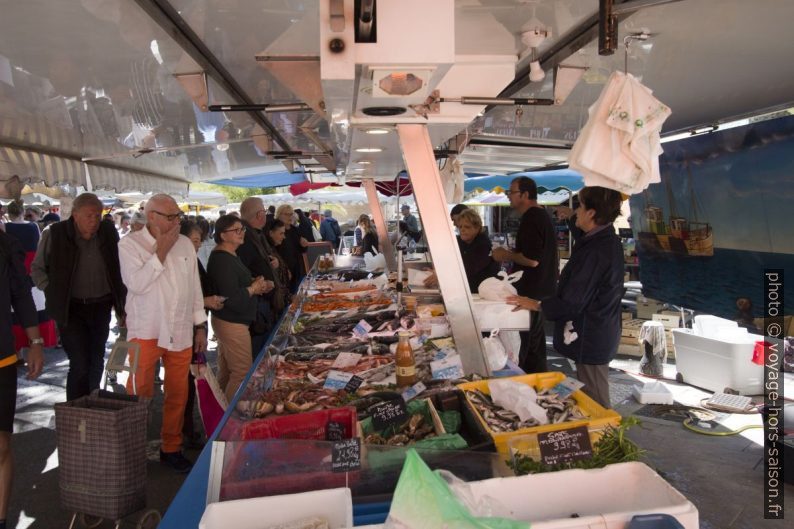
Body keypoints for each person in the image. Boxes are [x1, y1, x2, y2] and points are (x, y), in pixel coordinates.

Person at [508, 186, 624, 408]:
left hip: (593, 333)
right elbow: (583, 232)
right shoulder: (601, 239)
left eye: (580, 206)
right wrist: (571, 216)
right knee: (588, 391)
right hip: (594, 329)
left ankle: (604, 437)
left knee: (595, 399)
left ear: (591, 213)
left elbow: (574, 299)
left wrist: (537, 304)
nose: (577, 211)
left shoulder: (598, 251)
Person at [119, 194, 207, 473]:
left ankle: (171, 447)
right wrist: (161, 251)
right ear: (152, 216)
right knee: (138, 392)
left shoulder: (184, 244)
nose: (177, 221)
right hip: (146, 329)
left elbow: (194, 287)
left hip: (179, 329)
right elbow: (137, 284)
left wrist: (200, 325)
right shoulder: (129, 244)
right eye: (171, 216)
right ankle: (132, 449)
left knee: (177, 393)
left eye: (178, 215)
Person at [31, 193, 127, 400]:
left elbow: (119, 269)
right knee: (80, 361)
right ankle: (75, 408)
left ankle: (91, 404)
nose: (94, 221)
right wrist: (53, 290)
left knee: (96, 359)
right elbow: (37, 270)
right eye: (88, 216)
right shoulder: (55, 233)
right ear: (75, 215)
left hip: (101, 305)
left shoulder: (108, 232)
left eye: (97, 216)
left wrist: (121, 306)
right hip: (71, 308)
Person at [0, 230, 45, 529]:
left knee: (1, 445)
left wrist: (36, 342)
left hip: (1, 358)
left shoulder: (5, 244)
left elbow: (21, 293)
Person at [492, 176, 558, 374]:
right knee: (534, 346)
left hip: (532, 292)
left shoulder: (532, 217)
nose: (508, 197)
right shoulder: (540, 216)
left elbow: (532, 260)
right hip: (540, 289)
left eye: (511, 192)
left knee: (527, 345)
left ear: (525, 195)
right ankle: (536, 381)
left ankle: (528, 382)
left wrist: (505, 254)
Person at [207, 215, 270, 402]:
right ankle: (227, 422)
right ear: (223, 235)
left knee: (227, 372)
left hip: (229, 320)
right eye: (236, 230)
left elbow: (236, 284)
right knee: (242, 372)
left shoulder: (230, 254)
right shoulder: (222, 259)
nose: (242, 233)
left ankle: (218, 410)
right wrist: (253, 289)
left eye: (242, 229)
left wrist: (255, 283)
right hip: (231, 322)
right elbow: (231, 298)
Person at [180, 221, 225, 447]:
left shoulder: (193, 260)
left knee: (190, 380)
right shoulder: (180, 263)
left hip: (196, 327)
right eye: (195, 241)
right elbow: (178, 301)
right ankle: (183, 432)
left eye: (199, 241)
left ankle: (187, 429)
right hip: (182, 332)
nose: (198, 245)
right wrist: (206, 302)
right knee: (184, 384)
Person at [5, 200, 57, 356]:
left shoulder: (5, 227)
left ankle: (18, 350)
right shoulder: (33, 226)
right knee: (34, 308)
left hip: (14, 271)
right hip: (31, 270)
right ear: (22, 211)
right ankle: (32, 345)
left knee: (16, 309)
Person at [237, 197, 281, 357]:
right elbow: (242, 272)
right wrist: (259, 283)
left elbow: (260, 260)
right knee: (259, 354)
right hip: (257, 307)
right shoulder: (246, 237)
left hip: (263, 304)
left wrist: (272, 262)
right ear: (259, 215)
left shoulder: (255, 234)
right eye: (263, 211)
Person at [275, 205, 308, 291]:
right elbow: (273, 251)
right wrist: (284, 269)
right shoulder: (275, 230)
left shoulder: (295, 230)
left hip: (297, 270)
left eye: (291, 214)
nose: (290, 217)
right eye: (287, 214)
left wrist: (303, 245)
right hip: (282, 270)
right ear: (279, 215)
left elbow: (301, 250)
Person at [265, 220, 292, 314]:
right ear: (271, 233)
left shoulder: (273, 248)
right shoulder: (268, 251)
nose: (283, 237)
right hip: (276, 305)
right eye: (281, 233)